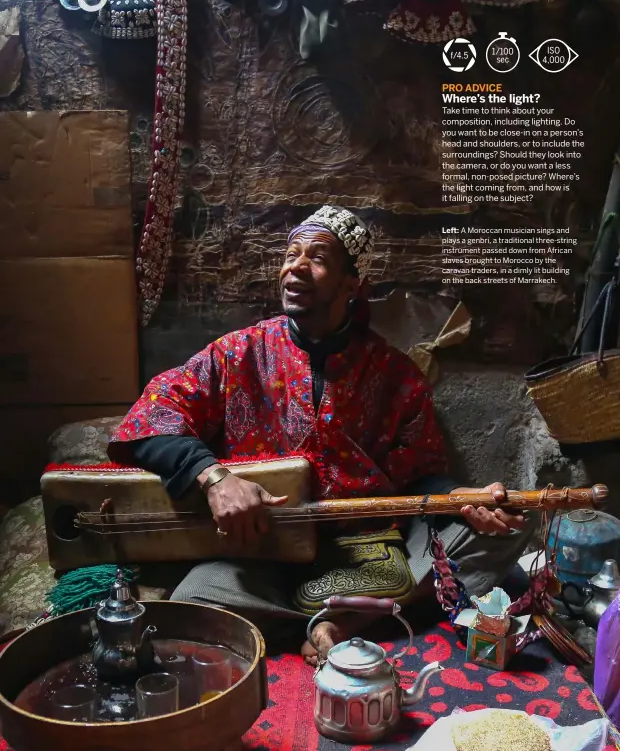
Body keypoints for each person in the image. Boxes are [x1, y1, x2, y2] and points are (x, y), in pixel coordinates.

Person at [108, 205, 532, 664]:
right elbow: (150, 418)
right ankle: (353, 619)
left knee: (502, 531)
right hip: (265, 552)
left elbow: (420, 476)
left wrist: (461, 498)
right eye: (291, 254)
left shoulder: (394, 373)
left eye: (318, 257)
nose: (296, 265)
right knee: (192, 600)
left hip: (369, 550)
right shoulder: (237, 353)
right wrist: (213, 476)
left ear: (353, 283)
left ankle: (336, 623)